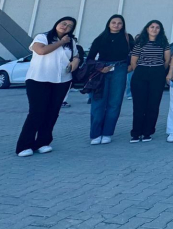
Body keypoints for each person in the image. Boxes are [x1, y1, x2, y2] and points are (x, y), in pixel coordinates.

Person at [16, 17, 81, 157]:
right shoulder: (42, 37)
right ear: (57, 23)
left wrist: (76, 61)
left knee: (52, 112)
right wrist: (61, 42)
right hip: (39, 79)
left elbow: (76, 55)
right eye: (63, 23)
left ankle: (43, 142)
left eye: (70, 26)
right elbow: (41, 51)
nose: (65, 26)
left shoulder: (71, 41)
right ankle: (24, 145)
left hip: (62, 80)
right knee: (36, 112)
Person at [87, 14, 134, 145]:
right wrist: (99, 68)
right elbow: (90, 58)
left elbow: (134, 54)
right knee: (98, 102)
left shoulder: (127, 38)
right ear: (109, 24)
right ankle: (95, 134)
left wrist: (130, 66)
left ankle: (107, 133)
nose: (116, 25)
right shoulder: (100, 38)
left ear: (123, 25)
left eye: (119, 23)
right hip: (102, 71)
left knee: (115, 103)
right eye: (113, 22)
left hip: (119, 69)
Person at [129, 20, 171, 143]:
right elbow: (133, 61)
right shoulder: (140, 43)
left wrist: (158, 70)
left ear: (160, 30)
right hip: (141, 73)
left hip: (157, 74)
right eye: (152, 27)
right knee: (139, 105)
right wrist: (142, 70)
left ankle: (147, 132)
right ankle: (136, 133)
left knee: (153, 105)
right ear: (147, 29)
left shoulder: (164, 43)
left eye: (157, 27)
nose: (154, 29)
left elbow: (167, 61)